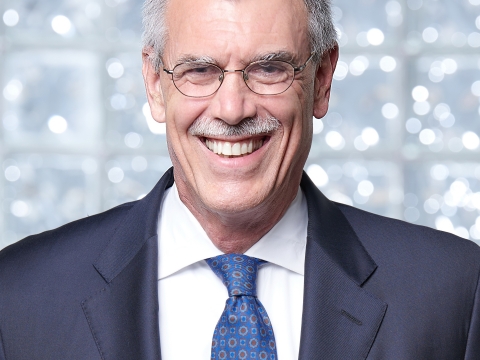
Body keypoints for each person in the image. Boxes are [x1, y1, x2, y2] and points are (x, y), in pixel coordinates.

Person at [1, 0, 479, 358]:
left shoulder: (451, 291)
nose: (232, 109)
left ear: (323, 78)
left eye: (270, 69)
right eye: (200, 70)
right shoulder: (20, 296)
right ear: (154, 84)